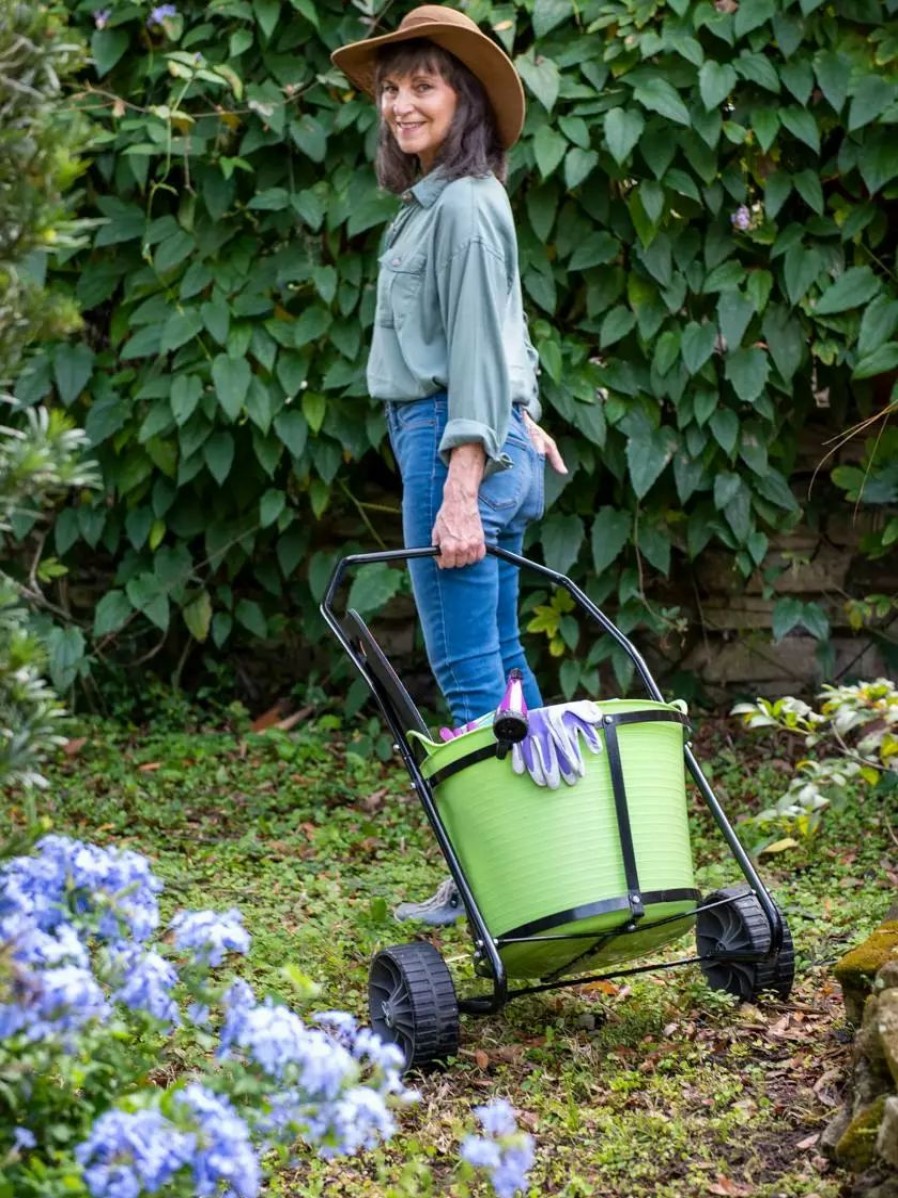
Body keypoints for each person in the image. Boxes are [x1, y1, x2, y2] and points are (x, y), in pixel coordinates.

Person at [331, 5, 568, 923]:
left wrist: (463, 482)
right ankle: (550, 853)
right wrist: (524, 413)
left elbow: (475, 341)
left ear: (463, 97)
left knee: (470, 678)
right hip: (479, 430)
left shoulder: (462, 207)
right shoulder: (447, 202)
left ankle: (504, 883)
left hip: (449, 444)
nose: (400, 103)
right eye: (391, 87)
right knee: (502, 666)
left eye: (423, 84)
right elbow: (506, 327)